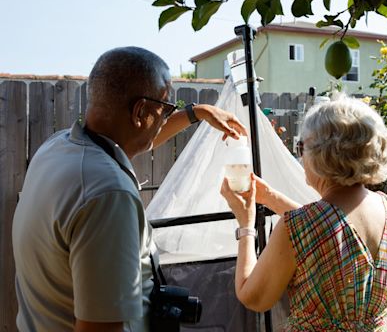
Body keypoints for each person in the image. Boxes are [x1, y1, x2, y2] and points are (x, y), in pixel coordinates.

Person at [12, 46, 246, 332]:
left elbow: (136, 140)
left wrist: (196, 113)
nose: (163, 119)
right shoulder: (109, 194)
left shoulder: (58, 149)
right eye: (164, 110)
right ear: (139, 112)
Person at [221, 95, 387, 331]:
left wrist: (245, 224)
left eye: (301, 146)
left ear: (323, 153)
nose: (300, 155)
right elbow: (335, 233)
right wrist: (271, 198)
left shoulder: (297, 226)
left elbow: (253, 297)